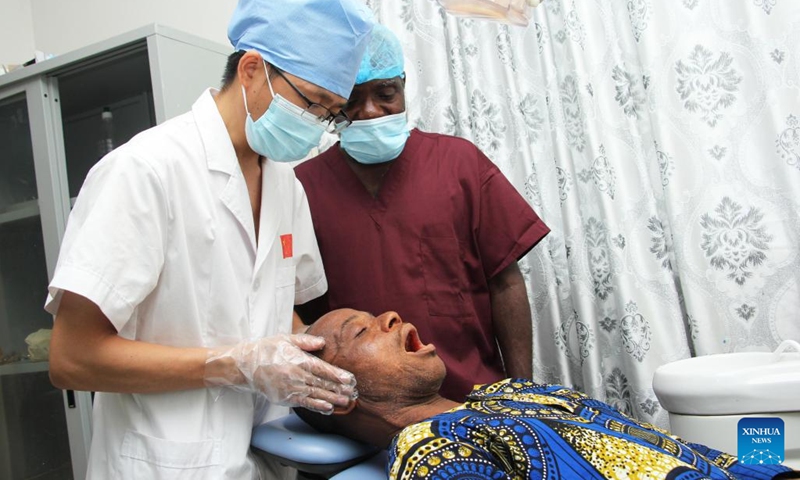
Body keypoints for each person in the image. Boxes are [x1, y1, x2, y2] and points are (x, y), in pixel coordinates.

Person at [44, 1, 373, 478]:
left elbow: (278, 308)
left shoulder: (286, 185)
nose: (318, 127)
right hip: (164, 463)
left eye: (331, 113)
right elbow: (72, 358)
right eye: (311, 103)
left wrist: (332, 366)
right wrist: (234, 364)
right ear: (252, 69)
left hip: (264, 455)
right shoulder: (145, 171)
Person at [294, 24, 550, 402]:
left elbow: (506, 283)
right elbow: (299, 306)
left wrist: (522, 391)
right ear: (331, 101)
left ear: (403, 85)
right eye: (351, 100)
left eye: (385, 94)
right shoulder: (303, 186)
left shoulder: (459, 164)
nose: (369, 112)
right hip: (363, 409)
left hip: (472, 395)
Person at [295, 308, 795, 480]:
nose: (389, 316)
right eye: (360, 333)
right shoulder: (431, 454)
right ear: (341, 396)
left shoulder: (505, 395)